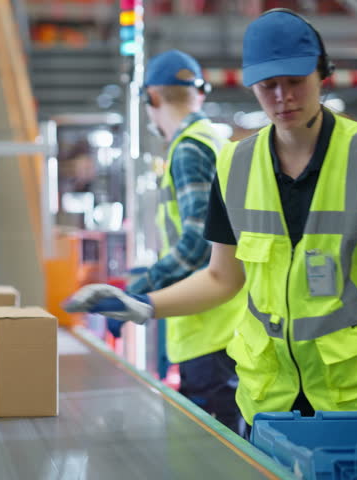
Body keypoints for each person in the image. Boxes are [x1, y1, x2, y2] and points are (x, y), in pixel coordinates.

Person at [66, 9, 357, 434]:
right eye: (268, 85)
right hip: (272, 402)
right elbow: (223, 278)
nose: (282, 97)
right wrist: (145, 304)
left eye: (295, 82)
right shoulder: (235, 166)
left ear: (322, 74)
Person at [113, 50, 246, 433]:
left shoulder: (189, 148)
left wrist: (142, 290)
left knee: (208, 459)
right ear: (199, 93)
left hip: (210, 332)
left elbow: (198, 241)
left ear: (152, 98)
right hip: (228, 326)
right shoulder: (217, 141)